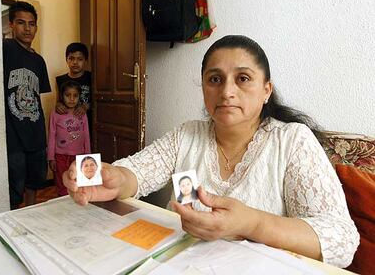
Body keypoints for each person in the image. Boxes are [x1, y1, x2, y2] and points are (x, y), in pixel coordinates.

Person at [63, 35, 359, 268]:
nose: (227, 92)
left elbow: (341, 239)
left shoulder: (292, 141)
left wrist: (251, 223)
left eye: (243, 78)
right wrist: (114, 176)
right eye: (215, 79)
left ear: (266, 90)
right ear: (204, 87)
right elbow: (138, 172)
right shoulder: (187, 135)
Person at [3, 1, 51, 210]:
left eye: (31, 24)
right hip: (12, 132)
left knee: (35, 179)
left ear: (36, 28)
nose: (27, 28)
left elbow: (36, 97)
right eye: (21, 23)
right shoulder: (3, 49)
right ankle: (12, 220)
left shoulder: (38, 61)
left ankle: (31, 214)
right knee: (15, 185)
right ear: (11, 25)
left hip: (35, 130)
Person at [47, 81, 90, 196]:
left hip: (79, 156)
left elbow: (86, 135)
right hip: (60, 156)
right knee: (62, 183)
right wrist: (51, 158)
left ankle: (78, 207)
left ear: (79, 97)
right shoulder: (55, 114)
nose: (71, 99)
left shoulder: (82, 114)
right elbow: (51, 136)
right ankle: (63, 207)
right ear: (62, 96)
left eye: (75, 96)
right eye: (68, 95)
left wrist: (88, 156)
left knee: (79, 183)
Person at [55, 43, 92, 134]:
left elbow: (98, 101)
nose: (75, 62)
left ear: (86, 61)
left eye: (80, 59)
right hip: (67, 127)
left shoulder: (91, 77)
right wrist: (58, 106)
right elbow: (58, 101)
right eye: (71, 58)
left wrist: (86, 106)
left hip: (88, 125)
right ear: (66, 60)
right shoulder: (60, 80)